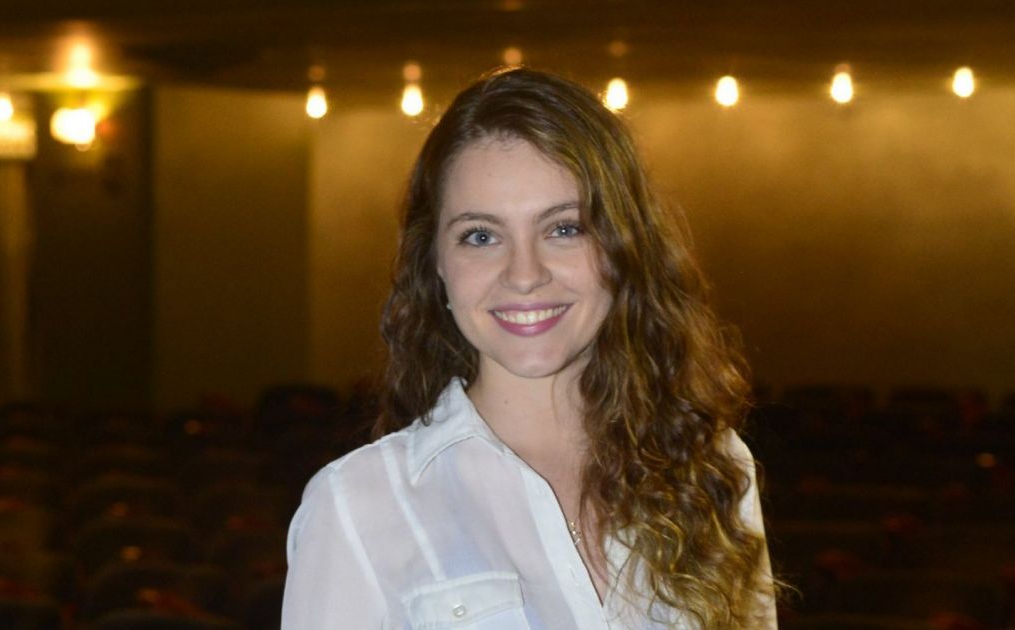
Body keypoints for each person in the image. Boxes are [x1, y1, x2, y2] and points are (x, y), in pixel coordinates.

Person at [282, 67, 776, 629]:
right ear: (436, 263)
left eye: (564, 228)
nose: (524, 274)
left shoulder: (711, 465)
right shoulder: (356, 506)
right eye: (481, 236)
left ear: (625, 246)